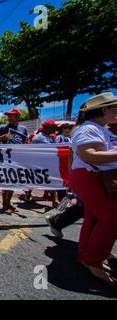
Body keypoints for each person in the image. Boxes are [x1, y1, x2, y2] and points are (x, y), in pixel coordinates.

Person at [68, 92, 117, 285]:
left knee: (95, 218)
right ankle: (93, 260)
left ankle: (86, 257)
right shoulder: (89, 129)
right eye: (115, 108)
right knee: (112, 218)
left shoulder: (99, 128)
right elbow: (90, 155)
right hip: (89, 177)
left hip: (94, 177)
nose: (116, 113)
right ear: (104, 109)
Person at [0, 108, 29, 213]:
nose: (9, 117)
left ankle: (8, 203)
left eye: (11, 115)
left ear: (18, 116)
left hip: (17, 159)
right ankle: (5, 204)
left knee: (13, 183)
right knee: (6, 183)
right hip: (6, 159)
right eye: (8, 115)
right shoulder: (3, 128)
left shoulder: (23, 129)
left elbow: (25, 143)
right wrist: (1, 139)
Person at [32, 120, 60, 207]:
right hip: (40, 164)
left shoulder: (48, 137)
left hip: (47, 163)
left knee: (49, 180)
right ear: (48, 127)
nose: (56, 128)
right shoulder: (39, 138)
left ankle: (55, 200)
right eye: (54, 127)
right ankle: (55, 200)